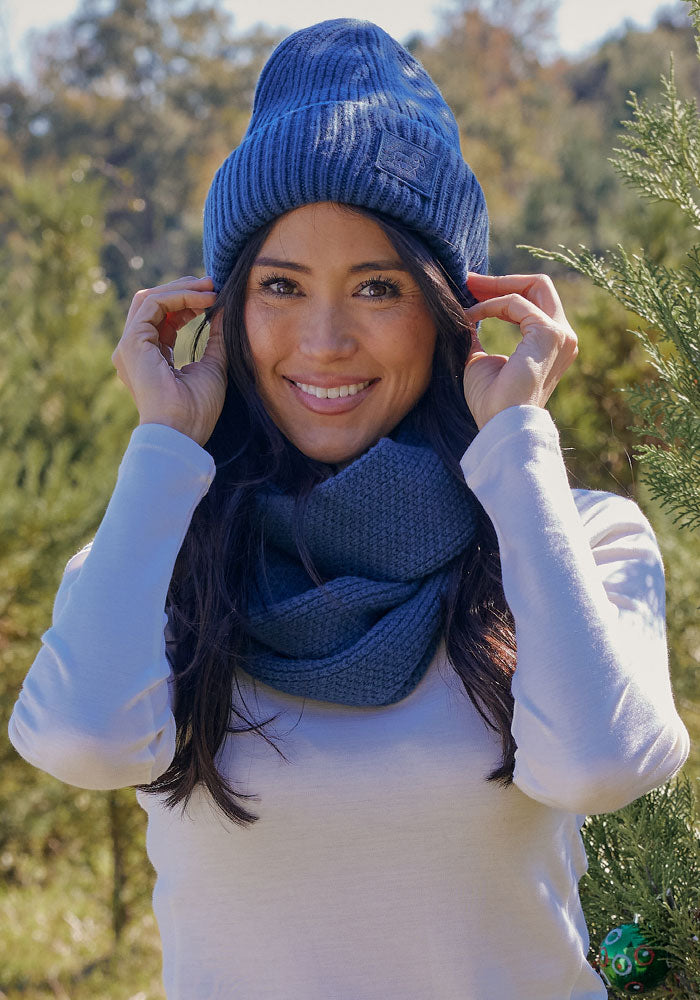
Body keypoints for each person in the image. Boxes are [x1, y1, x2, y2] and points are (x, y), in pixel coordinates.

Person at [8, 18, 690, 1000]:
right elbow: (80, 743)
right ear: (228, 311)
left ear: (448, 308)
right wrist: (163, 442)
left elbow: (596, 765)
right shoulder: (155, 555)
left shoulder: (575, 535)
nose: (323, 339)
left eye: (377, 287)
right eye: (281, 285)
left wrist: (515, 443)